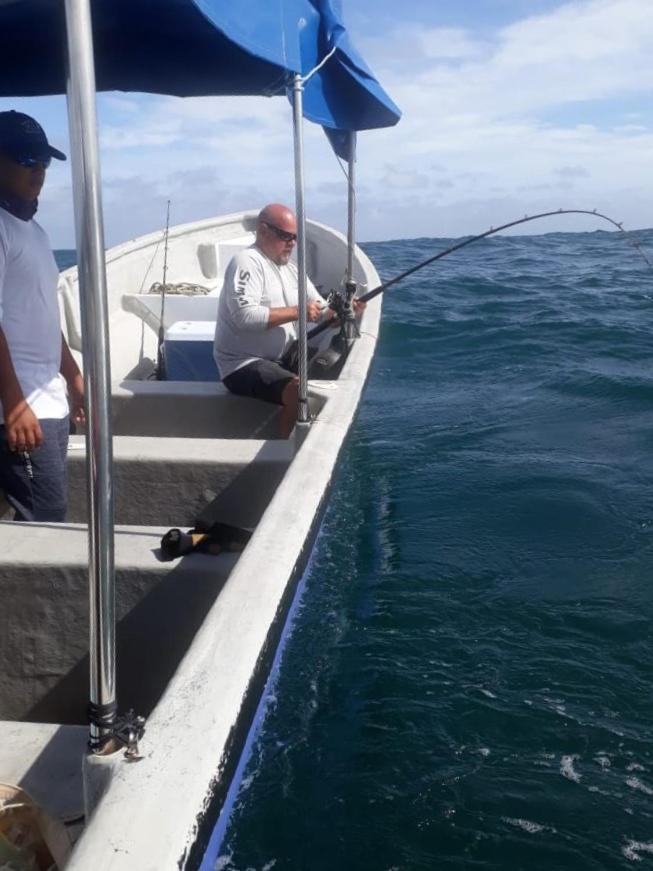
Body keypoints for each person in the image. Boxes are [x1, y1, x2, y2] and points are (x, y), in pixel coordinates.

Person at [0, 110, 84, 521]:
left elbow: (45, 313)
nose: (38, 170)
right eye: (24, 158)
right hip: (20, 404)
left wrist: (72, 374)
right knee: (47, 516)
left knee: (41, 513)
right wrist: (14, 405)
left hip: (48, 398)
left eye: (43, 161)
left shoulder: (34, 231)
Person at [213, 203, 336, 438]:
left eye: (295, 237)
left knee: (333, 364)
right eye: (285, 236)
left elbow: (320, 309)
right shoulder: (246, 262)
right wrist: (299, 311)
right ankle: (284, 454)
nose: (291, 242)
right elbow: (244, 317)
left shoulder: (292, 270)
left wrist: (340, 313)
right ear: (263, 230)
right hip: (242, 364)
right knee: (299, 390)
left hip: (283, 357)